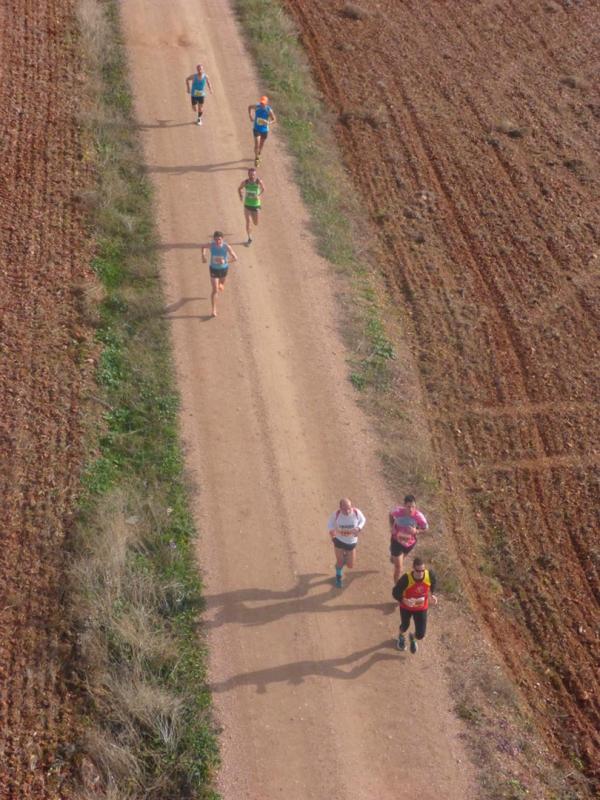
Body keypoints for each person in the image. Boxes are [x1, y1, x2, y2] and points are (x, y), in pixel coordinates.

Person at [392, 556, 438, 653]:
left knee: (421, 634)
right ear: (413, 568)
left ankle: (412, 637)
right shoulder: (406, 579)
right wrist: (404, 600)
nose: (421, 573)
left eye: (422, 570)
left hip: (421, 608)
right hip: (406, 608)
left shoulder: (429, 575)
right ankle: (401, 636)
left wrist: (432, 595)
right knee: (405, 625)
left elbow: (433, 583)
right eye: (418, 570)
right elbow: (395, 592)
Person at [389, 494, 428, 583]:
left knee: (396, 561)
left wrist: (416, 531)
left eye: (413, 507)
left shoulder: (419, 516)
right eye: (408, 506)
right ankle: (397, 587)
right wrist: (391, 526)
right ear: (404, 506)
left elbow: (426, 528)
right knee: (399, 567)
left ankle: (393, 557)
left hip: (409, 543)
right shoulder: (398, 511)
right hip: (396, 541)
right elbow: (390, 514)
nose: (411, 509)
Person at [327, 498, 366, 588]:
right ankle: (338, 575)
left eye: (349, 508)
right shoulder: (336, 514)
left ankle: (342, 560)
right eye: (344, 509)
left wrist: (359, 528)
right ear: (340, 508)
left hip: (351, 543)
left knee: (350, 565)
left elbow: (363, 520)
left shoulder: (356, 513)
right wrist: (332, 532)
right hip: (339, 541)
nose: (348, 511)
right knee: (340, 562)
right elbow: (330, 523)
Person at [200, 231, 238, 317]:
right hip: (213, 269)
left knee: (221, 286)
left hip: (224, 269)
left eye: (219, 239)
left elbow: (235, 258)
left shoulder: (226, 246)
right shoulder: (211, 245)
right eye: (216, 239)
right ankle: (213, 310)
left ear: (223, 239)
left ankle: (221, 285)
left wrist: (225, 261)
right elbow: (203, 247)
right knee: (215, 290)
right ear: (214, 239)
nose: (218, 241)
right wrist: (203, 256)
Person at [238, 168, 265, 245]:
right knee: (248, 222)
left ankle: (250, 229)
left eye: (253, 174)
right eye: (250, 174)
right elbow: (239, 188)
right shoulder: (245, 182)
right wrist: (241, 195)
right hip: (247, 205)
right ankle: (249, 238)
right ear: (248, 174)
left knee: (255, 223)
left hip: (256, 205)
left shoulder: (258, 181)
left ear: (255, 174)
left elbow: (263, 189)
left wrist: (258, 195)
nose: (252, 176)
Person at [248, 96, 276, 166]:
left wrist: (268, 122)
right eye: (261, 103)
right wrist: (250, 116)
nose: (262, 104)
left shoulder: (268, 110)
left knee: (261, 145)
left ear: (266, 103)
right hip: (256, 129)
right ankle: (257, 158)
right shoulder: (257, 106)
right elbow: (249, 107)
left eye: (263, 103)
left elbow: (274, 119)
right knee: (257, 144)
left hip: (264, 130)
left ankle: (259, 153)